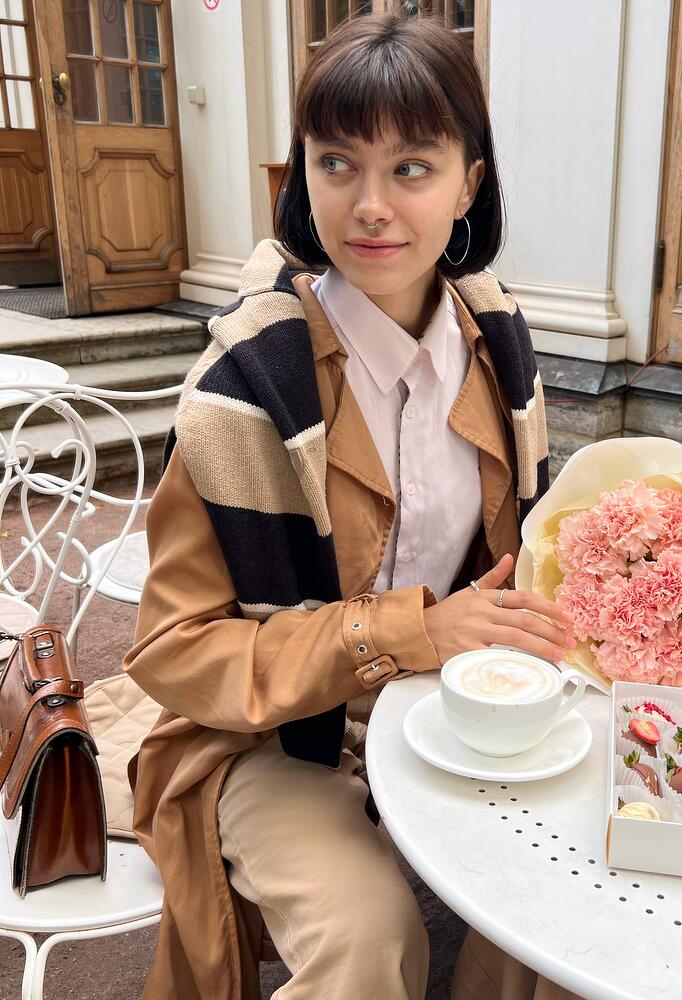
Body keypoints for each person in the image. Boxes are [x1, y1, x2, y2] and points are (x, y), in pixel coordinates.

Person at [125, 11, 585, 1000]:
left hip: (454, 706)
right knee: (367, 937)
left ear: (470, 182)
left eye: (412, 167)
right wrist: (401, 634)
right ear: (303, 172)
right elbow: (173, 652)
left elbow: (522, 562)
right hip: (270, 739)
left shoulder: (500, 345)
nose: (371, 206)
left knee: (563, 893)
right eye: (337, 162)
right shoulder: (247, 382)